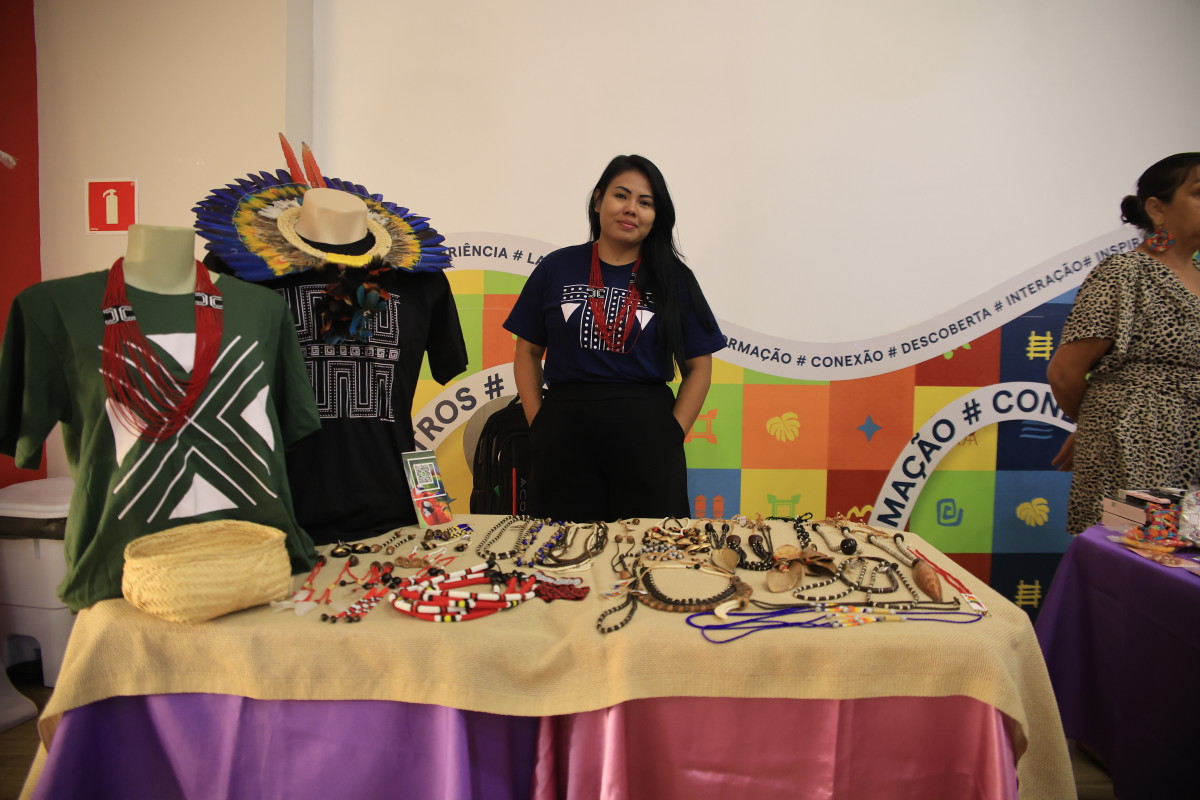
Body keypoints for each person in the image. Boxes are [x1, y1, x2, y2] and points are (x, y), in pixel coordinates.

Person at [0, 224, 320, 611]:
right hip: (122, 573)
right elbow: (22, 430)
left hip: (257, 563)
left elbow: (285, 424)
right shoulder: (49, 307)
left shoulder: (263, 308)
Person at [504, 155, 725, 522]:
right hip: (564, 431)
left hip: (647, 432)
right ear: (598, 201)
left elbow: (699, 367)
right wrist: (539, 424)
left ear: (656, 215)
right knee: (562, 546)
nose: (631, 209)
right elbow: (527, 352)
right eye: (621, 195)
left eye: (645, 202)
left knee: (649, 548)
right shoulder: (556, 267)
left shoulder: (674, 278)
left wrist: (672, 434)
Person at [1048, 152, 1200, 533]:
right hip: (1133, 453)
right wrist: (1102, 426)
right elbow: (1065, 374)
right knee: (1132, 554)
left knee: (1182, 563)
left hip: (1193, 457)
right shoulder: (1124, 272)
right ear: (1157, 209)